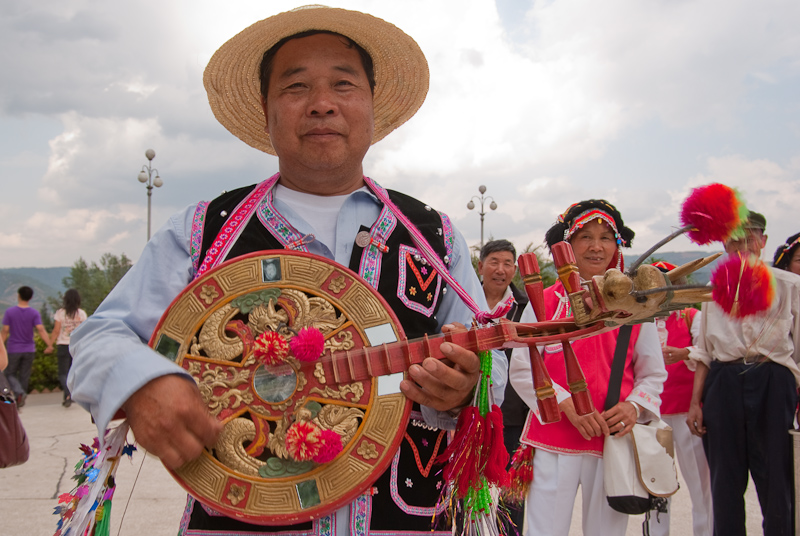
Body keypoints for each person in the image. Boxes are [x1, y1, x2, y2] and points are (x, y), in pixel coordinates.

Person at [69, 6, 506, 535]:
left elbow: (493, 365)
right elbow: (99, 336)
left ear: (371, 104)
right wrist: (142, 384)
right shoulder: (205, 230)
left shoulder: (431, 236)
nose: (322, 105)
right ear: (267, 107)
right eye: (296, 87)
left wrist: (464, 388)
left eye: (343, 85)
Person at [509, 199, 666, 536]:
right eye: (586, 237)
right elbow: (522, 367)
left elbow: (653, 373)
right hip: (554, 438)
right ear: (567, 245)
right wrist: (568, 405)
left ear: (617, 245)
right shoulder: (544, 301)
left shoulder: (638, 307)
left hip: (611, 440)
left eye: (606, 237)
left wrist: (633, 406)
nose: (596, 247)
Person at [687, 211, 800, 536]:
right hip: (723, 384)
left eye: (750, 238)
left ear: (762, 241)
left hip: (773, 382)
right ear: (725, 243)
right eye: (735, 240)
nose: (742, 246)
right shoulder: (713, 290)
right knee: (725, 479)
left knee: (778, 479)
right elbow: (705, 350)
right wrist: (696, 402)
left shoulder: (789, 285)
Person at [647, 262, 713, 536]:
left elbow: (707, 351)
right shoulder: (644, 320)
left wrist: (685, 353)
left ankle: (706, 531)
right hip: (653, 415)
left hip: (686, 410)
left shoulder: (690, 316)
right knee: (655, 485)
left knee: (701, 485)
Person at [478, 239, 530, 531]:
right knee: (468, 487)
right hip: (468, 412)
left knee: (511, 495)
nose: (501, 269)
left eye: (508, 263)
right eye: (494, 262)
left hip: (512, 415)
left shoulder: (526, 307)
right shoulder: (462, 300)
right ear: (480, 266)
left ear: (515, 270)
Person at [2, 286, 51, 407]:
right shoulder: (34, 313)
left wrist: (1, 345)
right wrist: (49, 344)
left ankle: (19, 393)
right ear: (31, 297)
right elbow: (40, 329)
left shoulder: (10, 312)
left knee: (9, 373)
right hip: (29, 349)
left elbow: (5, 330)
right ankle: (21, 397)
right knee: (24, 375)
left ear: (18, 295)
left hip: (14, 348)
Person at [45, 289, 87, 407]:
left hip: (63, 345)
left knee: (63, 373)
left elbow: (56, 330)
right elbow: (84, 330)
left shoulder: (60, 313)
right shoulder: (81, 314)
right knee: (73, 372)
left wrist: (50, 344)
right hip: (77, 346)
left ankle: (68, 394)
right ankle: (68, 397)